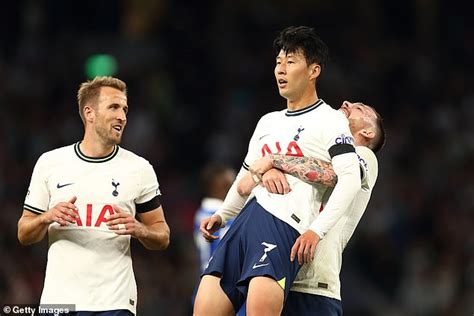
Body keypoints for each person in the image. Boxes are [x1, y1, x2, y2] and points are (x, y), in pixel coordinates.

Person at [194, 26, 362, 316]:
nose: (280, 69)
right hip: (244, 223)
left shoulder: (331, 120)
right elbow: (244, 175)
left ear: (313, 71)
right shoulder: (267, 122)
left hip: (283, 224)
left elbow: (350, 179)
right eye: (278, 62)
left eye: (291, 62)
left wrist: (315, 231)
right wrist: (223, 215)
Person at [17, 76, 170, 315]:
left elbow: (162, 235)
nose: (123, 116)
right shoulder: (50, 163)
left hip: (114, 302)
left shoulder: (139, 168)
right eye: (114, 107)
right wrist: (47, 217)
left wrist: (140, 229)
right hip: (60, 301)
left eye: (125, 109)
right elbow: (24, 233)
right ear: (89, 113)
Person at [238, 100, 386, 315]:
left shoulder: (364, 156)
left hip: (314, 287)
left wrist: (273, 161)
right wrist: (267, 172)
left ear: (368, 131)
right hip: (277, 272)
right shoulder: (316, 152)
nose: (346, 102)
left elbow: (331, 175)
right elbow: (243, 186)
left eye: (360, 108)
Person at [193, 163, 236, 273]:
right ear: (216, 186)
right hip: (217, 279)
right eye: (230, 185)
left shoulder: (204, 212)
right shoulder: (211, 215)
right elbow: (220, 249)